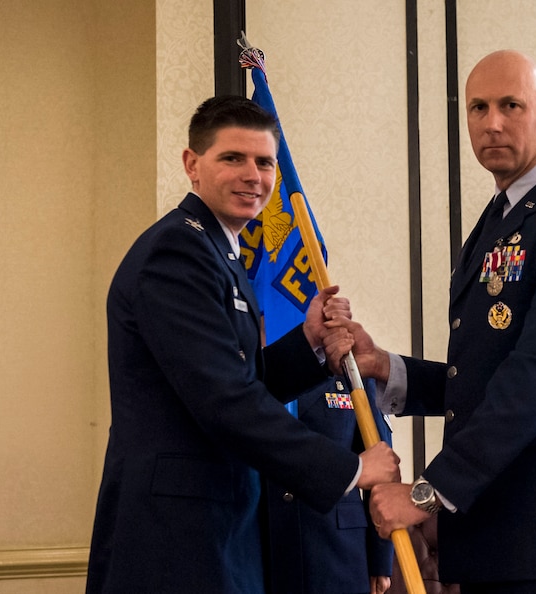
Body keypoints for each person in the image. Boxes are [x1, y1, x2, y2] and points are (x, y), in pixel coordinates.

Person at [335, 50, 536, 593]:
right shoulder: (503, 217)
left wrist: (427, 493)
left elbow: (535, 382)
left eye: (511, 105)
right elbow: (481, 376)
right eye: (478, 107)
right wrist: (388, 368)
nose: (491, 122)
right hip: (496, 534)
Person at [86, 95, 400, 593]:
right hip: (176, 537)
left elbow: (241, 378)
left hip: (220, 526)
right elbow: (224, 399)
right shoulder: (178, 251)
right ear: (192, 164)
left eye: (264, 162)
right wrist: (350, 469)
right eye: (232, 158)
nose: (253, 175)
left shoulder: (217, 251)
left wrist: (309, 342)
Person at [265, 378, 393, 594]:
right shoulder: (249, 359)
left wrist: (380, 559)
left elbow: (381, 465)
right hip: (263, 539)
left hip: (338, 550)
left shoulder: (350, 365)